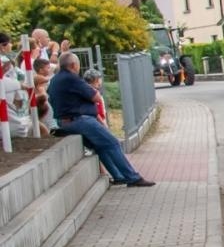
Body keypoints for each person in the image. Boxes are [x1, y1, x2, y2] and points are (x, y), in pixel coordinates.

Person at [48, 53, 154, 187]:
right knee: (112, 142)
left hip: (64, 121)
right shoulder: (72, 79)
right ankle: (133, 177)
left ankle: (119, 176)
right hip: (80, 120)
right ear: (74, 65)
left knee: (100, 146)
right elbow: (95, 96)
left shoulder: (55, 79)